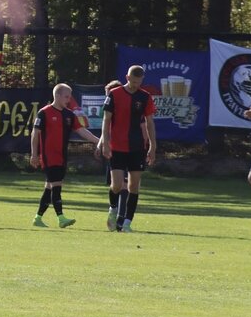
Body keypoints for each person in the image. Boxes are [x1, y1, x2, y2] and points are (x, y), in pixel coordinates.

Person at [29, 83, 99, 228]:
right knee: (56, 186)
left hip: (62, 156)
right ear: (57, 95)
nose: (69, 99)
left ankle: (37, 218)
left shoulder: (69, 115)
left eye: (69, 97)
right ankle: (61, 218)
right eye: (66, 96)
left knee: (49, 187)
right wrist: (34, 154)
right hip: (49, 156)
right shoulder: (44, 112)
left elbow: (81, 131)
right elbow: (35, 134)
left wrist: (99, 141)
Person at [98, 65, 157, 233]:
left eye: (139, 82)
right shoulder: (114, 95)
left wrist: (153, 145)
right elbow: (106, 120)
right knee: (116, 185)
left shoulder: (145, 97)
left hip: (137, 147)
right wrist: (106, 142)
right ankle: (112, 209)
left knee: (134, 186)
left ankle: (127, 223)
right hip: (117, 146)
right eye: (133, 81)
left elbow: (150, 123)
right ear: (127, 77)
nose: (136, 85)